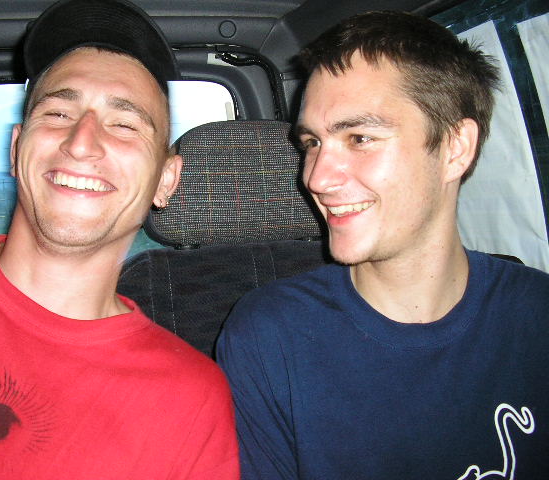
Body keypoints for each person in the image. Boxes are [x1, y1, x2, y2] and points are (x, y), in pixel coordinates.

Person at [0, 0, 239, 478]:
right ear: (16, 147)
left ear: (166, 180)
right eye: (59, 113)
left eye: (124, 124)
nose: (81, 143)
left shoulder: (190, 404)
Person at [216, 10, 549, 479]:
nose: (316, 178)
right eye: (312, 143)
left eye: (360, 138)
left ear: (455, 148)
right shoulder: (272, 337)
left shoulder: (537, 313)